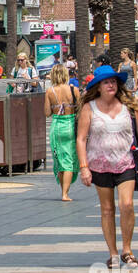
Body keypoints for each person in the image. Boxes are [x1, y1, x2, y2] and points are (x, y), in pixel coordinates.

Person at [76, 65, 138, 270]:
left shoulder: (128, 105)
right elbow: (81, 139)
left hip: (125, 162)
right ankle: (113, 253)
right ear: (98, 86)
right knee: (107, 209)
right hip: (99, 165)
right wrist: (84, 167)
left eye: (114, 81)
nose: (111, 85)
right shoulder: (88, 108)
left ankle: (127, 250)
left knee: (126, 205)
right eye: (106, 82)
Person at [44, 64, 80, 202]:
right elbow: (80, 109)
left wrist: (55, 106)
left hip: (57, 126)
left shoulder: (50, 91)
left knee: (59, 160)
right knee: (70, 160)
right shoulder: (74, 90)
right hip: (70, 125)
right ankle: (66, 193)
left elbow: (47, 113)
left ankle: (63, 192)